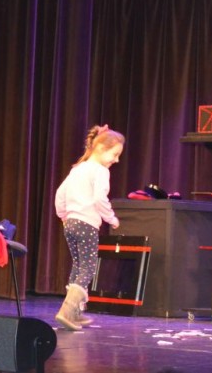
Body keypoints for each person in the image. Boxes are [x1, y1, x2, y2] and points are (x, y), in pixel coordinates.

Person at [55, 124, 123, 331]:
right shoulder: (100, 171)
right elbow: (99, 199)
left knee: (78, 265)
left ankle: (74, 313)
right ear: (101, 148)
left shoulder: (78, 169)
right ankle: (67, 311)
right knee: (88, 267)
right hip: (86, 224)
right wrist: (111, 218)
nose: (116, 160)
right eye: (115, 154)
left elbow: (60, 194)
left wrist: (64, 216)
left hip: (71, 223)